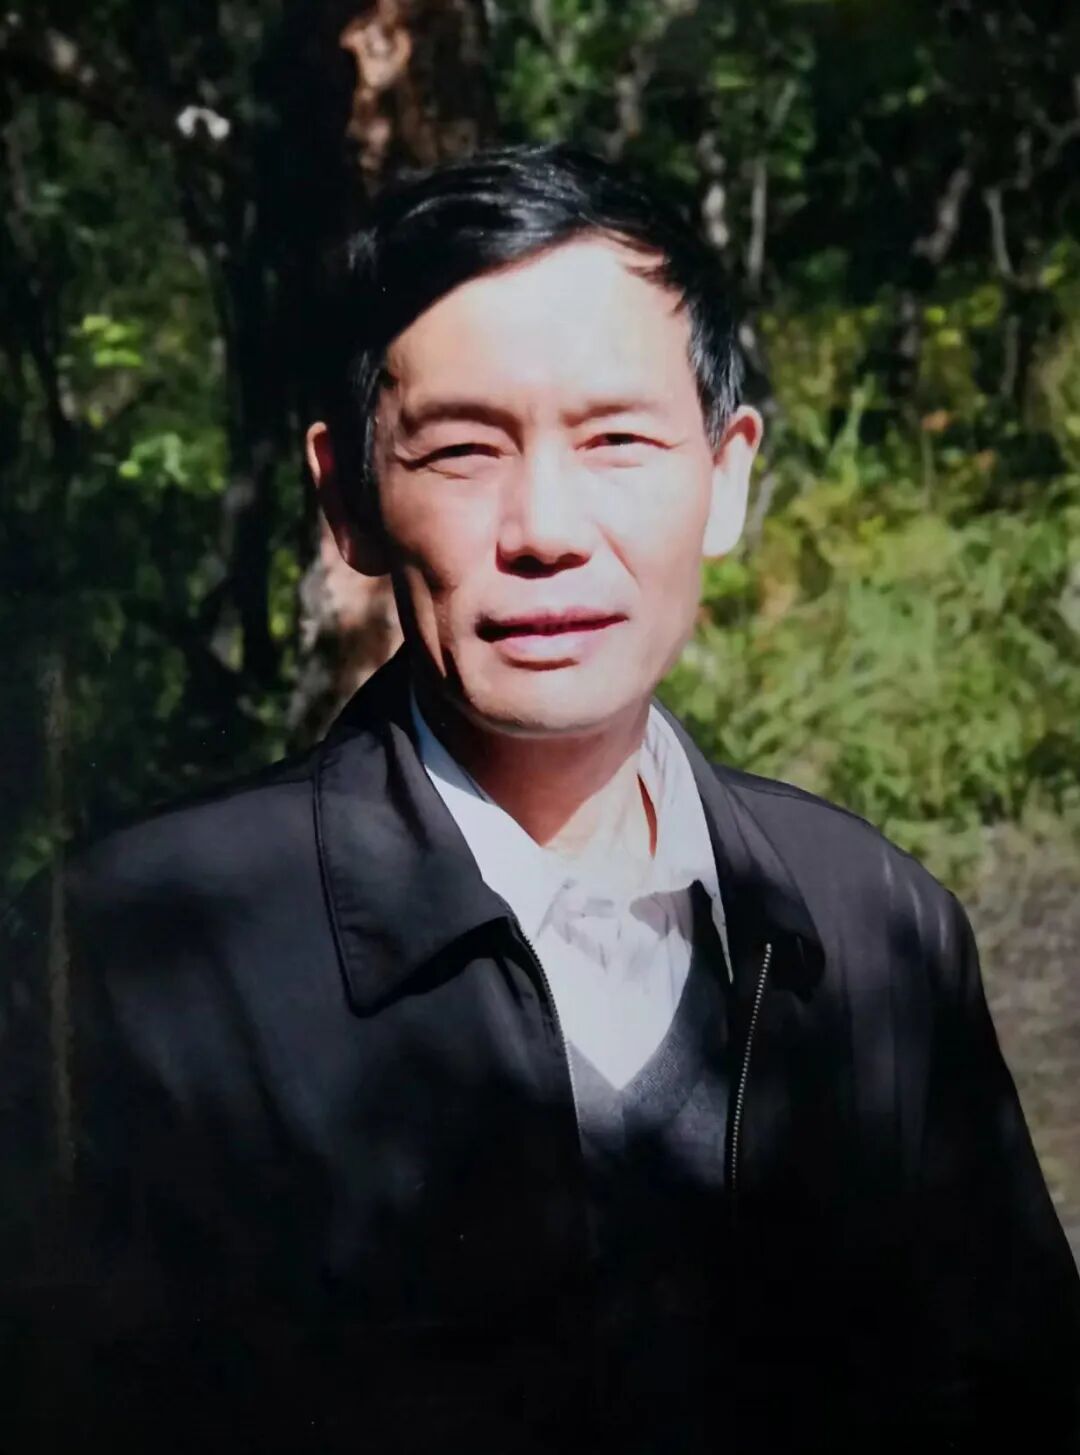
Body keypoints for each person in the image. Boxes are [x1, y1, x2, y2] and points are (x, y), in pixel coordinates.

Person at [2, 144, 1078, 1455]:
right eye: (463, 450)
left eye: (618, 439)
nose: (546, 528)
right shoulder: (128, 965)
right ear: (349, 500)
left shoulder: (875, 929)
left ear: (728, 474)